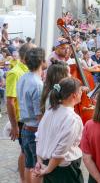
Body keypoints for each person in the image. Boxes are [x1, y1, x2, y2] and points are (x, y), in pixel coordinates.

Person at [35, 78, 84, 183]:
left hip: (48, 164)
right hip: (64, 169)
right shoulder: (72, 119)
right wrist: (47, 170)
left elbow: (39, 137)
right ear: (73, 95)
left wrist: (40, 161)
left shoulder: (50, 111)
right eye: (80, 91)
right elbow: (61, 150)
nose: (82, 93)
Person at [5, 43, 33, 183]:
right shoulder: (15, 73)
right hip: (21, 120)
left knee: (27, 152)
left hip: (27, 119)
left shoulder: (27, 70)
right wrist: (14, 125)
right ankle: (23, 180)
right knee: (25, 152)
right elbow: (10, 101)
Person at [17, 47, 45, 183]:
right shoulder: (37, 84)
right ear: (41, 61)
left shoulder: (23, 77)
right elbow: (39, 115)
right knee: (36, 167)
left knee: (29, 166)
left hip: (25, 127)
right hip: (34, 130)